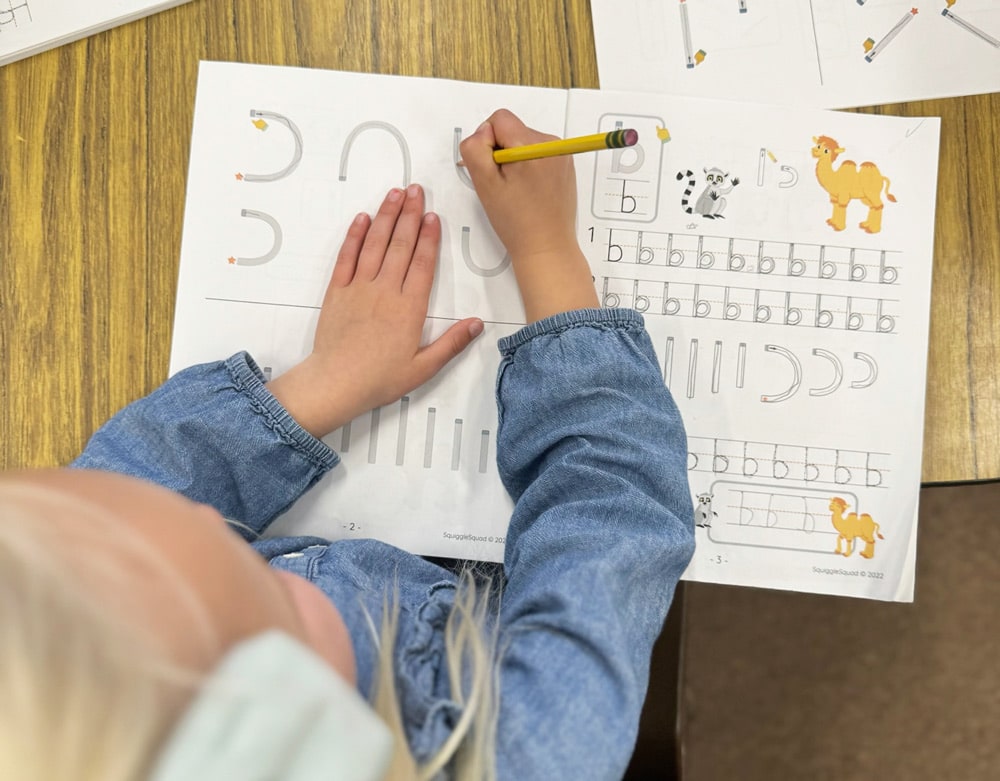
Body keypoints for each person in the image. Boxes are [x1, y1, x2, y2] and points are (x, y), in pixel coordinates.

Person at [0, 109, 695, 781]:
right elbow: (612, 507)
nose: (207, 516)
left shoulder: (55, 682)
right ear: (303, 720)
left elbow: (129, 486)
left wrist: (324, 384)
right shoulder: (532, 752)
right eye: (260, 584)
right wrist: (548, 253)